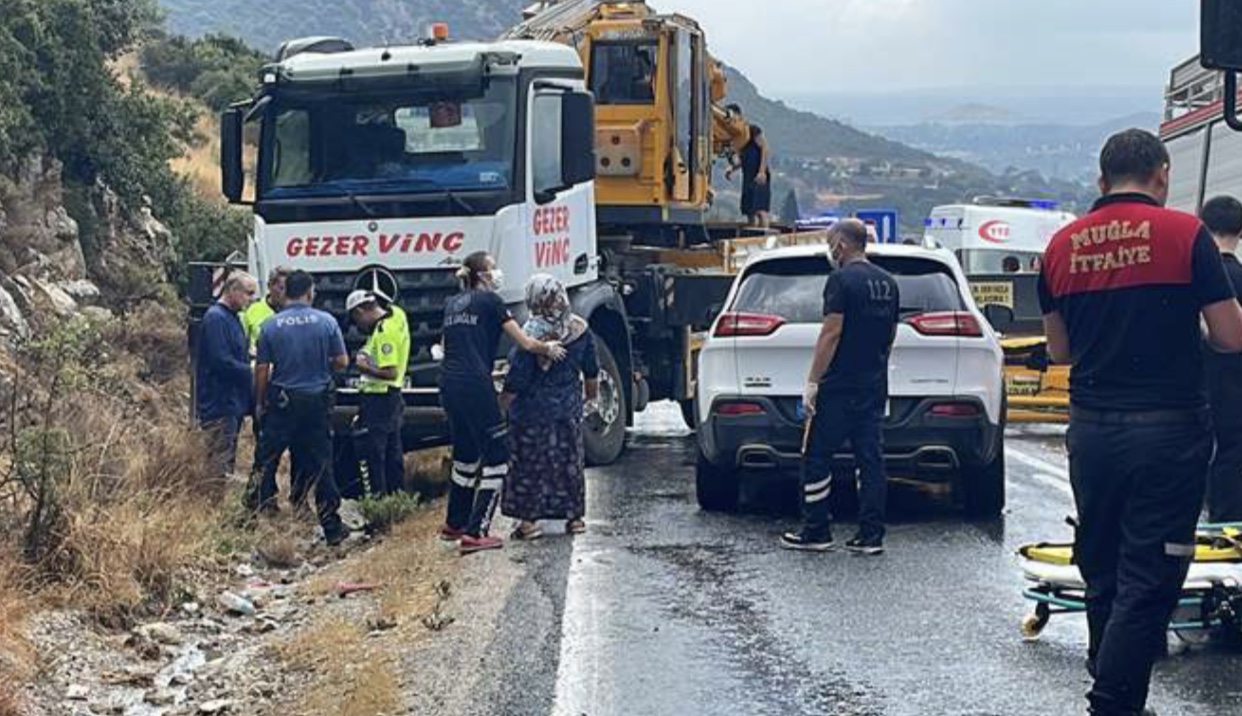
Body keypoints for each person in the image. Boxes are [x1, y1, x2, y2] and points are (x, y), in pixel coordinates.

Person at [1038, 129, 1242, 716]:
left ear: (1101, 182)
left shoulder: (1060, 246)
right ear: (1162, 176)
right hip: (1169, 432)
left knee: (1102, 567)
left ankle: (1112, 685)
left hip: (1093, 431)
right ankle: (1113, 703)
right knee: (1150, 579)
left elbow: (1059, 351)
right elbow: (1230, 338)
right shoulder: (1186, 235)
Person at [782, 219, 899, 555]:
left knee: (817, 457)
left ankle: (816, 530)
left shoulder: (840, 280)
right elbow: (890, 336)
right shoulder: (888, 282)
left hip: (838, 386)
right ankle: (870, 535)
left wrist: (812, 383)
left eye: (831, 242)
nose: (830, 250)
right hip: (873, 385)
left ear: (842, 245)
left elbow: (831, 333)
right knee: (871, 460)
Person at [438, 251, 567, 554]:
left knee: (466, 453)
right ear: (482, 275)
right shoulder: (492, 302)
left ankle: (454, 523)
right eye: (493, 268)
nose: (498, 274)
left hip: (448, 383)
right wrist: (547, 348)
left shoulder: (451, 304)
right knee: (497, 455)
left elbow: (449, 345)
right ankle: (476, 531)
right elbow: (523, 341)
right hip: (474, 384)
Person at [249, 270, 350, 546]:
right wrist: (320, 365)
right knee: (321, 464)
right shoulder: (326, 322)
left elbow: (262, 369)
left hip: (283, 402)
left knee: (266, 459)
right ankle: (331, 526)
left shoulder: (271, 325)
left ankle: (249, 519)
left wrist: (260, 402)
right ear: (309, 292)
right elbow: (341, 361)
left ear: (286, 292)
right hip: (317, 402)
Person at [500, 275, 600, 541]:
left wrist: (502, 405)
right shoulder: (580, 328)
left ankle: (529, 523)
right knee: (569, 462)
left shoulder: (529, 336)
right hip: (567, 409)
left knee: (530, 465)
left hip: (531, 413)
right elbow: (591, 369)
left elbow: (517, 378)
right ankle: (575, 518)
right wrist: (590, 399)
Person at [1201, 195, 1242, 524]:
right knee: (1232, 455)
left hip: (1194, 388)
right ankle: (1224, 524)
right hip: (1235, 387)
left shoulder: (1193, 277)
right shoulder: (1239, 277)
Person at [347, 289, 411, 498]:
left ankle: (379, 501)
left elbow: (390, 372)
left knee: (375, 454)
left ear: (360, 311)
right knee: (393, 453)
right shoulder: (396, 314)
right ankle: (397, 498)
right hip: (391, 398)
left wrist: (364, 368)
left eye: (356, 319)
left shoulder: (384, 332)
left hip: (379, 397)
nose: (358, 326)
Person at [196, 272, 257, 486]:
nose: (251, 299)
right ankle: (212, 502)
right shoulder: (215, 318)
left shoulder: (233, 318)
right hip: (218, 401)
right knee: (218, 458)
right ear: (232, 290)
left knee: (228, 454)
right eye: (248, 293)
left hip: (232, 401)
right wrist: (251, 370)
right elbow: (221, 360)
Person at [728, 124, 772, 227]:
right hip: (747, 177)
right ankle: (752, 233)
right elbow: (742, 160)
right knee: (749, 211)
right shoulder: (739, 140)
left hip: (758, 176)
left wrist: (761, 171)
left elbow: (765, 148)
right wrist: (732, 168)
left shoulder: (752, 130)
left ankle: (764, 236)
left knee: (761, 210)